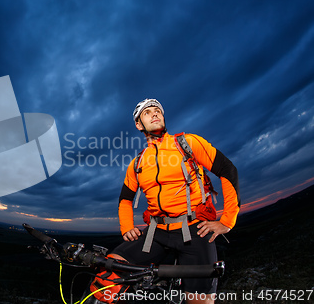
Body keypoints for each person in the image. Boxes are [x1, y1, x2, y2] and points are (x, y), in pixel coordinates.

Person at [98, 98, 240, 304]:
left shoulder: (187, 144)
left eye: (158, 111)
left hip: (194, 230)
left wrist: (227, 221)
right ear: (139, 124)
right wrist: (127, 226)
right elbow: (125, 199)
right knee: (107, 272)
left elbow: (227, 170)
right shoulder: (137, 162)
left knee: (200, 301)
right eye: (147, 113)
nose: (155, 114)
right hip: (156, 232)